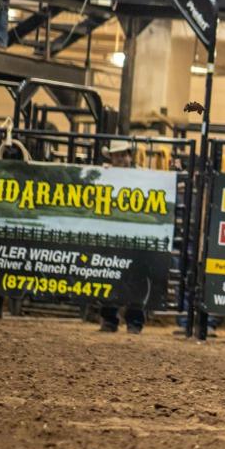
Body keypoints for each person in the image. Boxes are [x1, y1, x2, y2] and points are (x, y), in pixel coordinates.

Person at [98, 141, 146, 334]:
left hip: (135, 236)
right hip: (114, 235)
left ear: (129, 155)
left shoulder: (143, 175)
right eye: (116, 155)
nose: (120, 159)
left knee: (134, 278)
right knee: (110, 276)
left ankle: (133, 321)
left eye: (122, 155)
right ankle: (110, 319)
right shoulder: (107, 174)